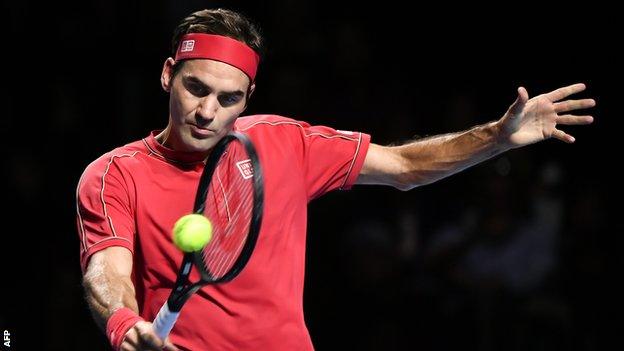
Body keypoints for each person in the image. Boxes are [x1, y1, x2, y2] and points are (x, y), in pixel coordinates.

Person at [75, 8, 595, 351]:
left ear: (248, 98)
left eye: (229, 98)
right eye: (195, 88)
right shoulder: (113, 175)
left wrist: (496, 139)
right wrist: (127, 326)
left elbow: (403, 167)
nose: (208, 111)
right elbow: (107, 272)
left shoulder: (282, 142)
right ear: (169, 75)